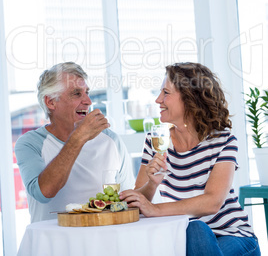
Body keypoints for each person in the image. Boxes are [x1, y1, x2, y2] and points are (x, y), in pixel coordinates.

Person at [120, 62, 261, 256]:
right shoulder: (156, 141)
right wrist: (152, 184)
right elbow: (138, 203)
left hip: (234, 236)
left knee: (195, 228)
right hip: (188, 237)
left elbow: (212, 202)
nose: (158, 100)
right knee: (192, 230)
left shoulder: (222, 140)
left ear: (189, 98)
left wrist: (156, 209)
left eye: (166, 93)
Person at [15, 62, 135, 223]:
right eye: (77, 94)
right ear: (51, 102)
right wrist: (78, 138)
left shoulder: (111, 140)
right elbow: (43, 192)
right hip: (53, 244)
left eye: (87, 92)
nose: (88, 101)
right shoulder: (30, 143)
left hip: (103, 241)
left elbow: (127, 203)